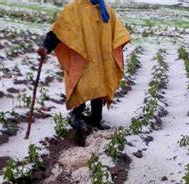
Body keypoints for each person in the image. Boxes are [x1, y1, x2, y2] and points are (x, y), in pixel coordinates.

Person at [37, 0, 131, 130]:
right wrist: (46, 47)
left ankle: (96, 120)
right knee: (81, 84)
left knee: (99, 86)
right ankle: (76, 114)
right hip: (81, 57)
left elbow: (118, 32)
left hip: (101, 58)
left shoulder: (107, 10)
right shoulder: (75, 7)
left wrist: (120, 42)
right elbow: (60, 30)